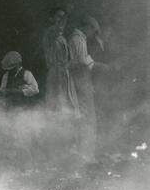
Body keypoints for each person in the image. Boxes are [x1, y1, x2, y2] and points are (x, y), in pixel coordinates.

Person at [68, 16, 106, 160]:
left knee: (88, 116)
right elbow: (81, 61)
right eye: (93, 31)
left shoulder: (80, 39)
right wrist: (99, 66)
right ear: (88, 27)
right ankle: (85, 153)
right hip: (79, 81)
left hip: (83, 81)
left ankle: (87, 152)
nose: (92, 34)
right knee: (86, 117)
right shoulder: (77, 39)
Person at [44, 14, 77, 112]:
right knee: (57, 98)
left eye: (63, 21)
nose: (61, 25)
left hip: (64, 72)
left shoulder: (62, 39)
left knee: (66, 97)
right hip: (56, 72)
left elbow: (69, 57)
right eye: (59, 20)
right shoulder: (50, 37)